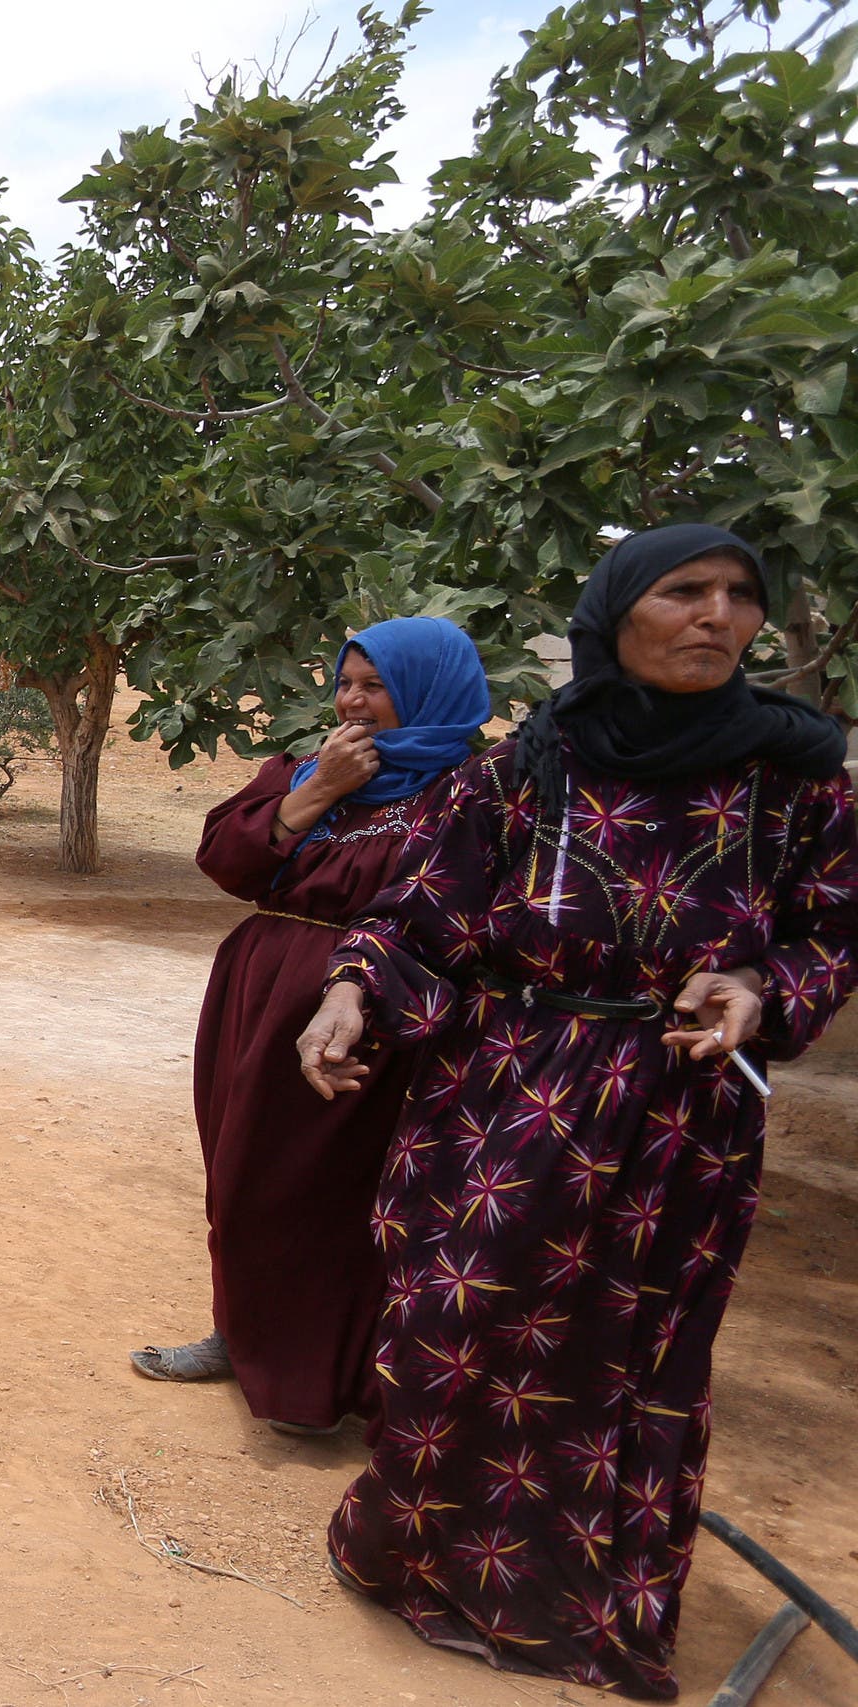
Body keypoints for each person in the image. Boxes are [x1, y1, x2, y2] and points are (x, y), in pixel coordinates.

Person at [295, 525, 857, 1699]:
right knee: (455, 1314)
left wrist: (757, 987)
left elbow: (831, 931)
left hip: (679, 1112)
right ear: (616, 613)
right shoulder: (528, 762)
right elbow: (415, 914)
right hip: (502, 1089)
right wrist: (350, 993)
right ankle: (415, 1558)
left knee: (631, 1349)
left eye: (739, 597)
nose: (716, 616)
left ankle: (591, 1604)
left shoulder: (799, 776)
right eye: (684, 592)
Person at [134, 616, 489, 1434]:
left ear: (430, 691)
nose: (354, 702)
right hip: (258, 993)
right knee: (240, 1169)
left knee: (333, 1192)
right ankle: (239, 1332)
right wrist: (317, 790)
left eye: (376, 686)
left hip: (380, 1010)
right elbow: (226, 858)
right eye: (346, 683)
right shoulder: (305, 768)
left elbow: (455, 914)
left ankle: (321, 1379)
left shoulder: (469, 793)